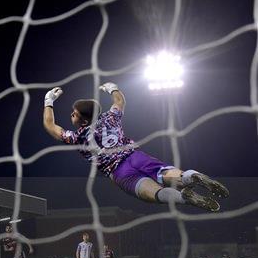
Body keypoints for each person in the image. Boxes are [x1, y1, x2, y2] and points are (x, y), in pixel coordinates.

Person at [42, 83, 229, 212]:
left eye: (74, 114)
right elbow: (119, 101)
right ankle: (190, 176)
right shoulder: (110, 117)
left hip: (118, 171)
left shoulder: (78, 137)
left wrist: (48, 101)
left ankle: (184, 198)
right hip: (136, 156)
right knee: (167, 175)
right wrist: (113, 88)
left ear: (83, 120)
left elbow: (51, 127)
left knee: (154, 193)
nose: (71, 115)